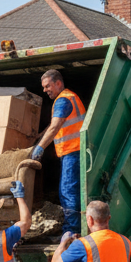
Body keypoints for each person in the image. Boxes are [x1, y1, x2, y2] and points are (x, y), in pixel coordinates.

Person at [31, 69, 84, 234]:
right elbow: (55, 123)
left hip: (73, 152)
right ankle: (74, 227)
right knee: (70, 191)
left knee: (68, 192)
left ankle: (72, 230)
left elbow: (55, 127)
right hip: (73, 152)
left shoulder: (63, 100)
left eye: (47, 86)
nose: (45, 90)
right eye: (44, 87)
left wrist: (41, 147)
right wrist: (39, 136)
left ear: (58, 83)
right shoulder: (68, 98)